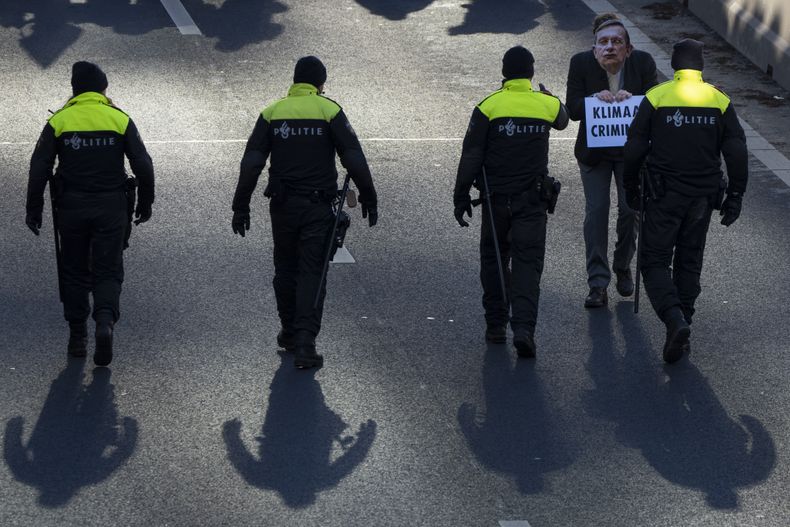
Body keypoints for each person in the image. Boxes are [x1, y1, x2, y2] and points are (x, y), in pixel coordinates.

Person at [232, 56, 378, 369]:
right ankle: (305, 343)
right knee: (313, 271)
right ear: (321, 84)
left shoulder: (273, 112)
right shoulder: (329, 110)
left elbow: (252, 162)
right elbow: (352, 155)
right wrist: (369, 195)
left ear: (294, 81)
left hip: (282, 207)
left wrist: (240, 205)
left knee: (285, 269)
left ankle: (288, 330)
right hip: (318, 207)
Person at [623, 39, 748, 363]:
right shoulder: (719, 100)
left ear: (674, 65)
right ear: (701, 65)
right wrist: (735, 195)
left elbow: (635, 146)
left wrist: (630, 187)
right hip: (703, 198)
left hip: (663, 196)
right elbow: (736, 151)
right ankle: (684, 324)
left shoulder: (657, 96)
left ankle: (674, 318)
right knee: (689, 261)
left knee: (654, 261)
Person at [26, 61, 155, 366]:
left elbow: (39, 166)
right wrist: (145, 203)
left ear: (74, 90)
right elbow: (143, 163)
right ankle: (105, 322)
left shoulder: (59, 121)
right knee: (108, 269)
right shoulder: (119, 119)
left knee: (73, 270)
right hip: (111, 207)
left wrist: (34, 208)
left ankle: (77, 337)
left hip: (71, 207)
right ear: (103, 89)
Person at [453, 46, 569, 358]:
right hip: (532, 201)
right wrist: (549, 95)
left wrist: (460, 196)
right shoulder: (546, 104)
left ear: (504, 73)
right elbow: (563, 120)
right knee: (527, 264)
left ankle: (495, 326)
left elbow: (471, 154)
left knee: (493, 259)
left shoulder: (488, 106)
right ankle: (523, 329)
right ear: (531, 73)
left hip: (495, 201)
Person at [566, 13, 658, 308]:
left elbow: (655, 107)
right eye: (603, 42)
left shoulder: (643, 63)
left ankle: (622, 264)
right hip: (595, 153)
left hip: (630, 153)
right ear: (594, 49)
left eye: (616, 42)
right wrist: (594, 99)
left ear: (628, 49)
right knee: (597, 212)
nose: (609, 47)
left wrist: (637, 100)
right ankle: (597, 282)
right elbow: (572, 110)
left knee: (631, 211)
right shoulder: (580, 63)